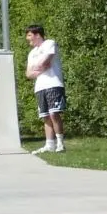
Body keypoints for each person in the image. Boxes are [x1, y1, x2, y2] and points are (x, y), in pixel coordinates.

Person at [24, 24, 66, 154]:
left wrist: (37, 67)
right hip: (40, 87)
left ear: (37, 35)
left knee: (54, 113)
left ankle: (60, 143)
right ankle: (49, 144)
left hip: (53, 83)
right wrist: (39, 68)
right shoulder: (32, 53)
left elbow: (46, 62)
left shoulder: (49, 43)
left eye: (29, 35)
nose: (27, 38)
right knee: (45, 116)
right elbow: (28, 74)